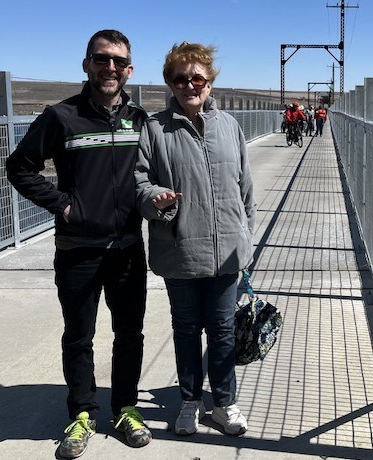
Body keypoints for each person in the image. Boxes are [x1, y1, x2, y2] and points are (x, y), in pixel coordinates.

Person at [5, 29, 151, 458]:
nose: (111, 68)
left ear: (130, 69)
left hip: (127, 248)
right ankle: (82, 413)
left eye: (119, 62)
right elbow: (20, 167)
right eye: (102, 59)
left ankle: (126, 408)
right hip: (78, 249)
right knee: (79, 336)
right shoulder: (61, 116)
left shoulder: (139, 119)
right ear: (86, 63)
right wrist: (65, 207)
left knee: (129, 334)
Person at [135, 41, 256, 438]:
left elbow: (246, 190)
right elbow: (139, 182)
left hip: (226, 254)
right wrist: (156, 198)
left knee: (221, 331)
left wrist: (246, 237)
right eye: (180, 78)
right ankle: (189, 401)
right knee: (187, 329)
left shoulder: (230, 127)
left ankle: (223, 404)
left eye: (197, 78)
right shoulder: (154, 129)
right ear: (170, 83)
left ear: (209, 81)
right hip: (180, 249)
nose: (190, 85)